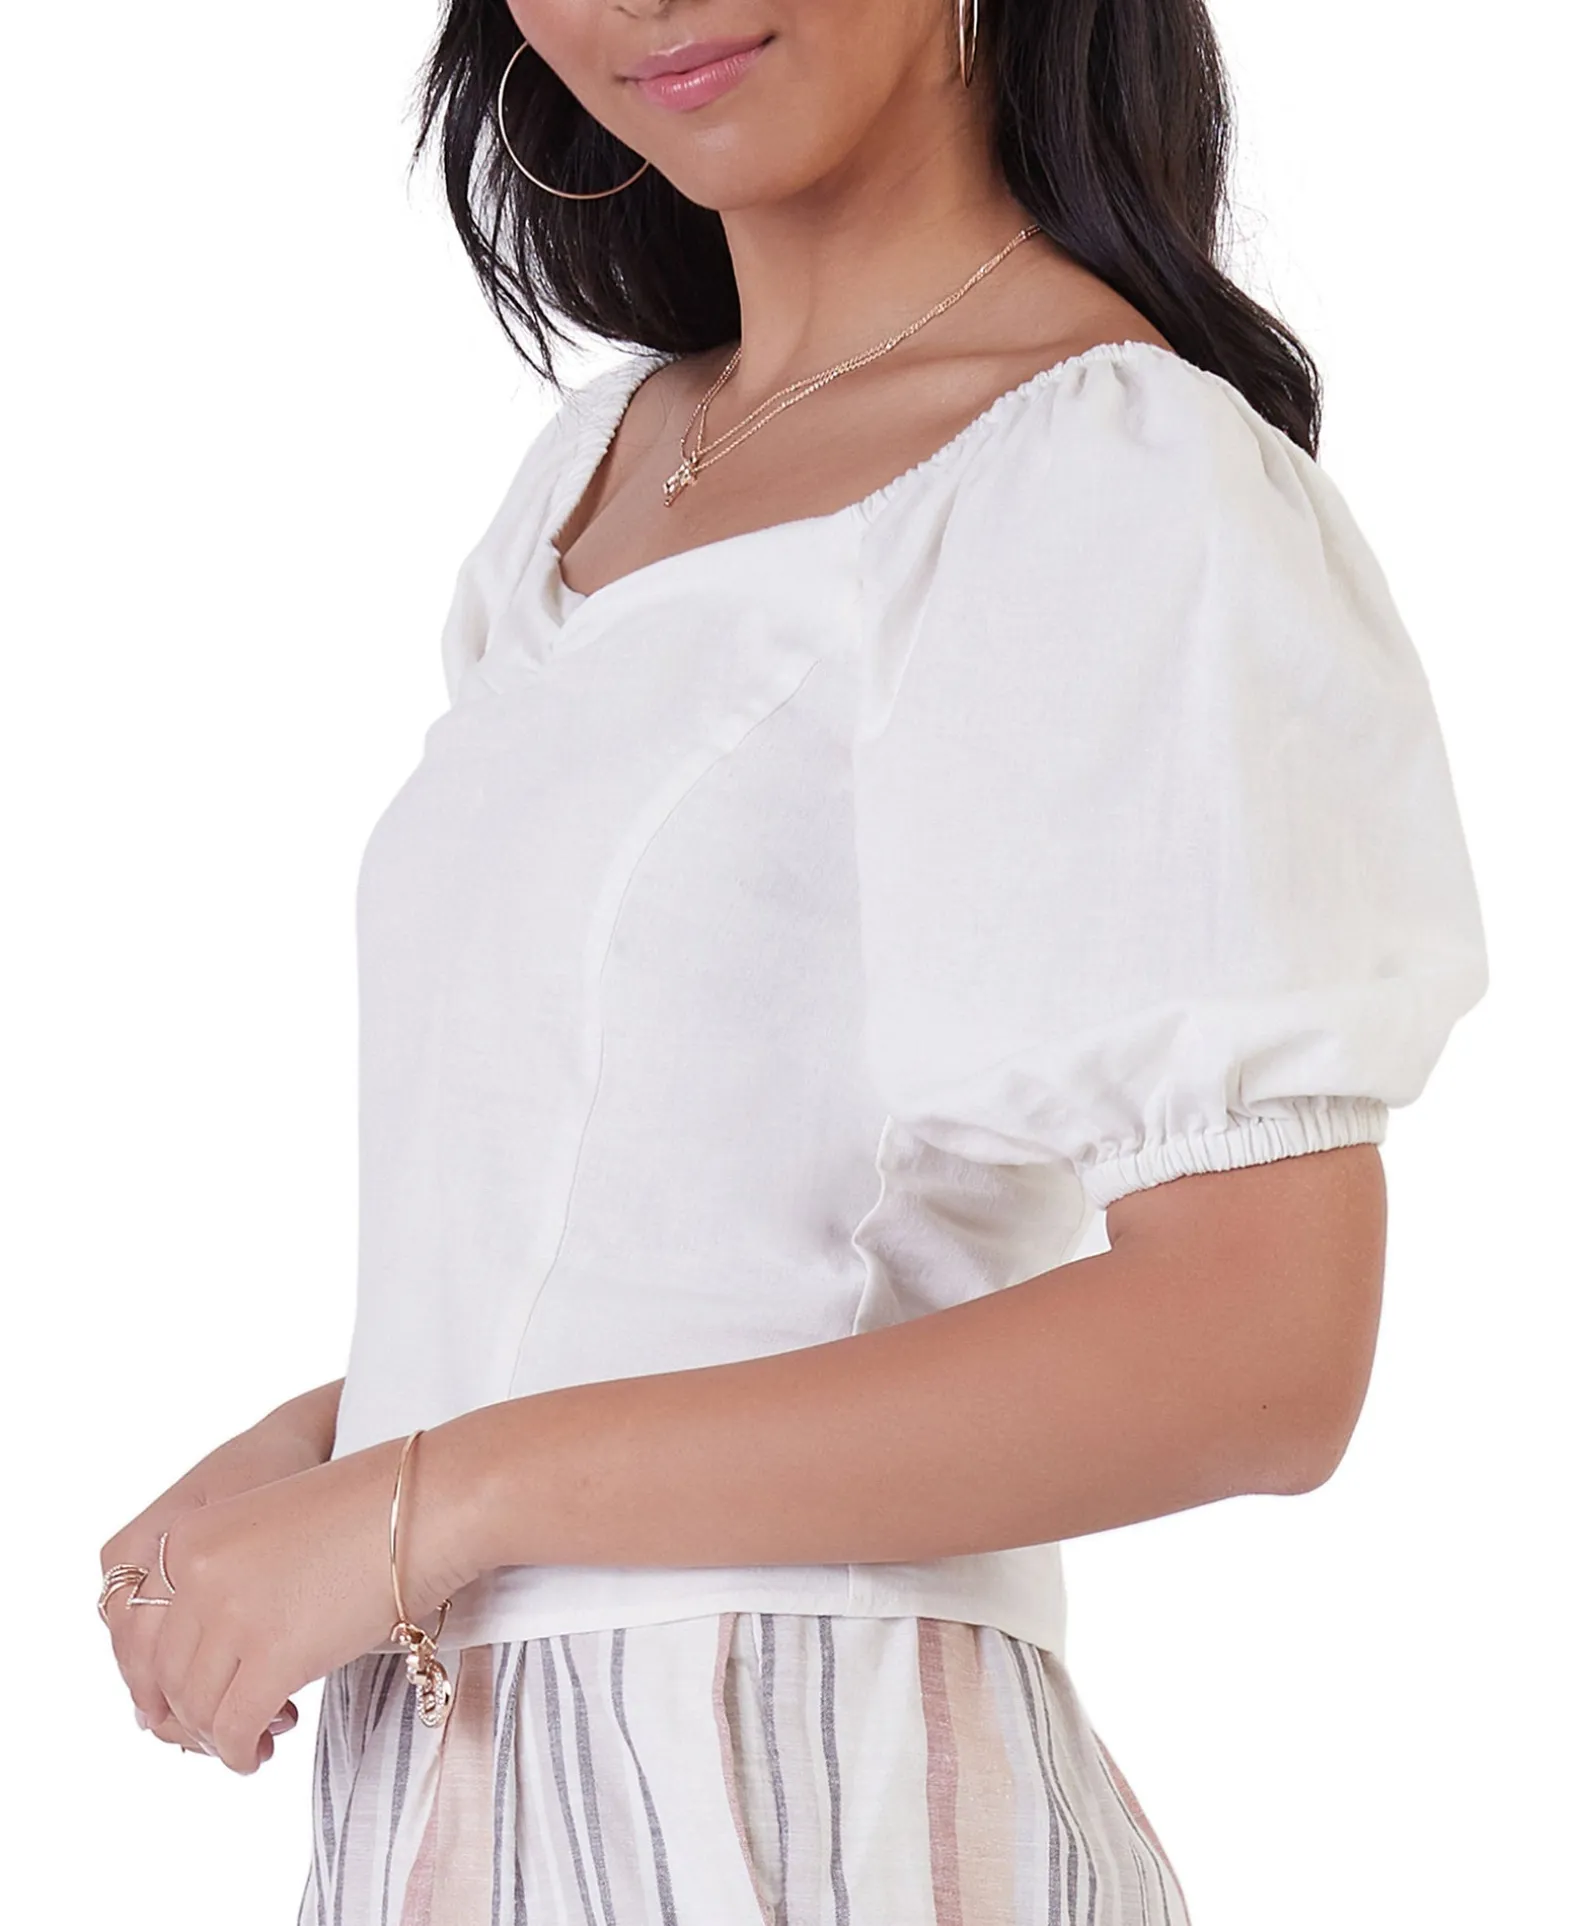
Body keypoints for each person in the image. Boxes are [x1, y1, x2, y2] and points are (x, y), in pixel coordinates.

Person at [97, 1, 1490, 1920]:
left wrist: (440, 1500)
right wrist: (334, 1451)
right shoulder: (595, 481)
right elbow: (662, 1224)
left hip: (792, 1801)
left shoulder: (1105, 470)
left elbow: (1255, 1348)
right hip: (465, 1797)